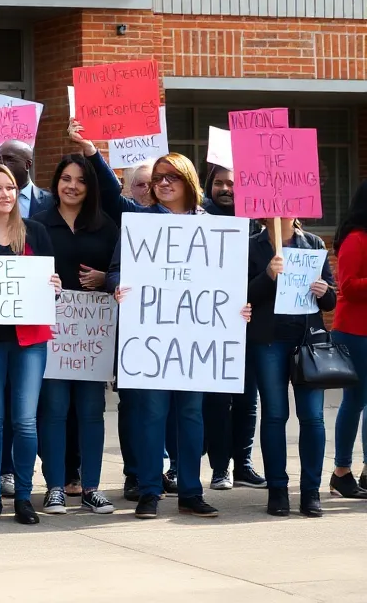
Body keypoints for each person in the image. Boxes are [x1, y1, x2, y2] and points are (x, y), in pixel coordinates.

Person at [77, 122, 251, 520]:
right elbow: (117, 270)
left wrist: (237, 309)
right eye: (158, 178)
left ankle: (191, 491)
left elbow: (226, 283)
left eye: (171, 176)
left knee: (191, 415)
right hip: (152, 335)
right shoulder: (141, 222)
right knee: (152, 414)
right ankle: (149, 491)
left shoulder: (212, 225)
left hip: (195, 337)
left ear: (188, 180)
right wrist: (118, 287)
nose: (163, 183)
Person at [0, 164, 61, 526]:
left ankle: (23, 497)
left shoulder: (35, 231)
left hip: (29, 339)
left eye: (10, 187)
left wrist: (54, 286)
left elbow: (50, 285)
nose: (6, 194)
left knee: (25, 421)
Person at [31, 154, 119, 514]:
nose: (72, 186)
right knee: (52, 409)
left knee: (91, 411)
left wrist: (105, 278)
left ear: (90, 186)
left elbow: (121, 272)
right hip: (52, 331)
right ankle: (54, 486)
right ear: (56, 183)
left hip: (93, 333)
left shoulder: (107, 226)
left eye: (81, 180)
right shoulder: (37, 224)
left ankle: (91, 487)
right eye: (66, 178)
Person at [246, 218, 335, 516]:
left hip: (308, 342)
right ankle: (277, 490)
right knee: (274, 415)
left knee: (313, 417)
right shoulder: (252, 246)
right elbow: (242, 295)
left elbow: (331, 301)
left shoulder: (313, 243)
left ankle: (311, 492)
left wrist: (324, 290)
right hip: (268, 342)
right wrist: (268, 275)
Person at [201, 163, 265, 490]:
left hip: (248, 324)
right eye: (220, 183)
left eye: (232, 183)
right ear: (209, 185)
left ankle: (243, 465)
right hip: (210, 324)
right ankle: (219, 468)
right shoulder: (198, 220)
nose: (226, 189)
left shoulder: (256, 226)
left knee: (246, 400)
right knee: (216, 402)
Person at [329, 182, 367, 499]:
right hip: (354, 332)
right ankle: (341, 472)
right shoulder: (356, 238)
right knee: (354, 401)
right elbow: (349, 286)